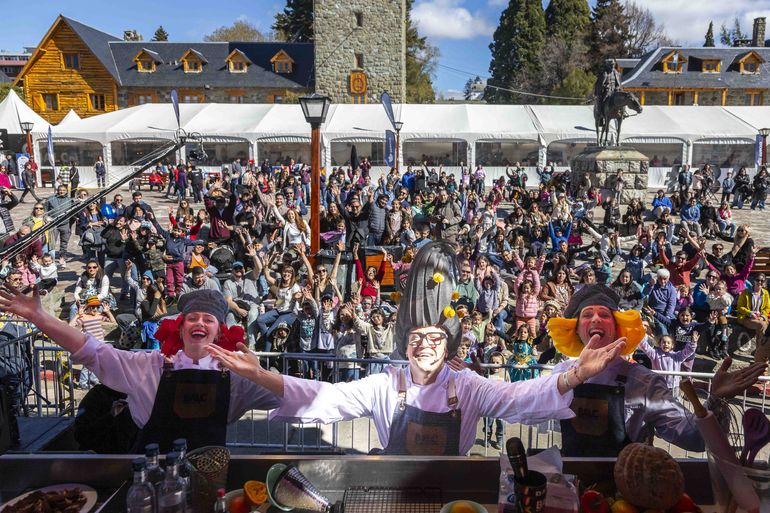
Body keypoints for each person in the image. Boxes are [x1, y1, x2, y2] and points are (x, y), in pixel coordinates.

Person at [209, 242, 626, 456]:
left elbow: (519, 397)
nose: (425, 345)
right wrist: (260, 374)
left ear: (449, 345)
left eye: (435, 339)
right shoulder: (383, 384)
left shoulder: (469, 385)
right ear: (405, 344)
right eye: (417, 339)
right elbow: (325, 397)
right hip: (392, 489)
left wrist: (575, 375)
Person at [0, 287, 281, 452]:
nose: (199, 323)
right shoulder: (147, 366)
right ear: (180, 328)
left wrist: (260, 374)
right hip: (149, 480)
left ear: (219, 332)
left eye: (209, 319)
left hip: (210, 483)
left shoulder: (238, 379)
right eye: (192, 317)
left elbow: (292, 395)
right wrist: (39, 317)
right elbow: (91, 349)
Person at [549, 284, 766, 456]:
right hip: (569, 491)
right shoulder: (559, 376)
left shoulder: (644, 382)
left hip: (629, 496)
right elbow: (521, 407)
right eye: (587, 315)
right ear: (575, 330)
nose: (596, 319)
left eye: (604, 315)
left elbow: (695, 439)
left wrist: (716, 401)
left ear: (618, 328)